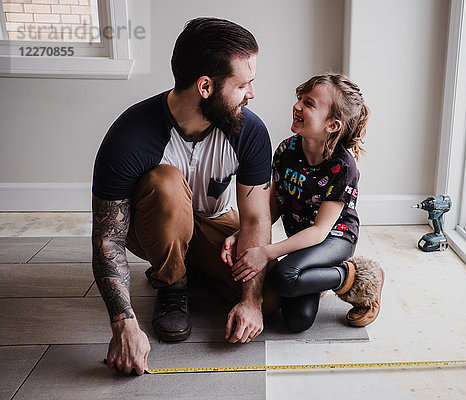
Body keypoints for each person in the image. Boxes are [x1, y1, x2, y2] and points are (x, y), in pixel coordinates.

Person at [91, 17, 277, 376]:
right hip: (150, 226)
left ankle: (195, 265)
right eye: (244, 84)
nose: (252, 93)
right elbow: (107, 239)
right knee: (166, 183)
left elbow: (255, 218)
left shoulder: (249, 130)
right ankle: (172, 284)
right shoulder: (131, 135)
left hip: (213, 221)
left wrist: (251, 301)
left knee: (270, 298)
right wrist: (124, 323)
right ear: (206, 86)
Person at [221, 73, 384, 333]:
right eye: (300, 99)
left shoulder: (343, 167)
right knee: (297, 322)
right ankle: (313, 278)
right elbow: (274, 204)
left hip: (334, 239)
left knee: (282, 276)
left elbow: (320, 231)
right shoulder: (287, 151)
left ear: (332, 125)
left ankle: (352, 276)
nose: (297, 106)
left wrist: (265, 252)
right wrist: (243, 233)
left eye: (309, 104)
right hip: (304, 240)